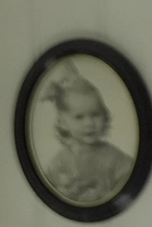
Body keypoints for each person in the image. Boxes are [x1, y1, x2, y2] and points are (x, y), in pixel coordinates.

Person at [39, 62, 133, 204]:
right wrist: (62, 191)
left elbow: (129, 189)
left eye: (95, 115)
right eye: (79, 117)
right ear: (63, 122)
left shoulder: (115, 159)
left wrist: (102, 194)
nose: (89, 123)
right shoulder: (59, 162)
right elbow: (47, 192)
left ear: (105, 116)